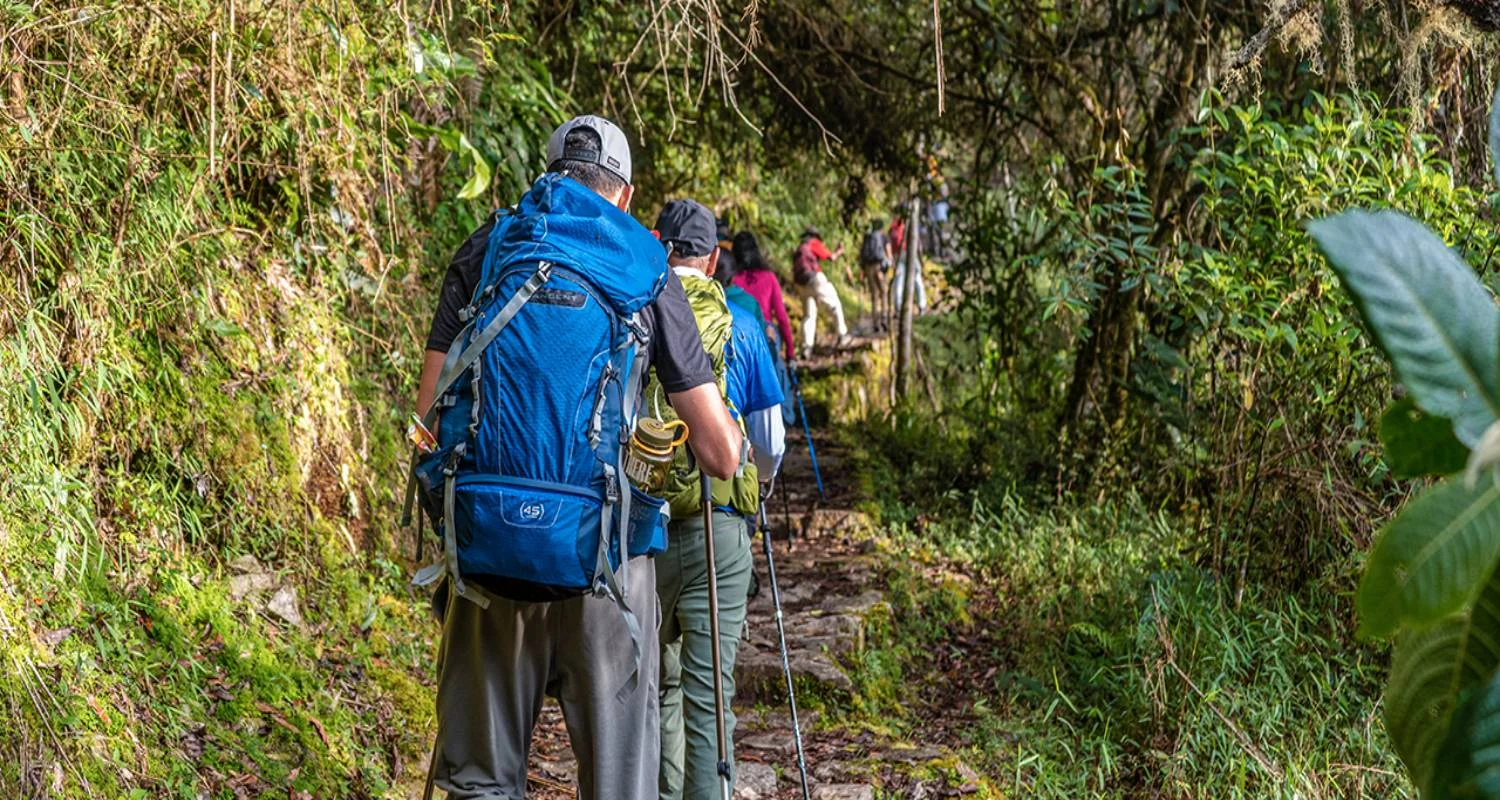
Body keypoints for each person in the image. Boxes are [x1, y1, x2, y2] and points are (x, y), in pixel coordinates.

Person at [414, 116, 743, 800]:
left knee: (480, 783)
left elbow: (428, 417)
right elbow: (718, 455)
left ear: (548, 173)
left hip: (487, 558)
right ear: (623, 194)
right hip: (607, 564)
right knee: (620, 785)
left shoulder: (490, 246)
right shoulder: (646, 265)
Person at [651, 199, 782, 800]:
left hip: (641, 528)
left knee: (654, 691)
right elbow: (770, 438)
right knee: (709, 700)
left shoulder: (633, 306)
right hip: (719, 521)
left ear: (658, 243)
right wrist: (757, 487)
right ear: (712, 257)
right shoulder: (744, 324)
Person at [731, 231, 794, 364]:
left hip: (736, 333)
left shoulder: (731, 279)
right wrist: (790, 352)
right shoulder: (769, 277)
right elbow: (782, 317)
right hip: (766, 331)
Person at [791, 226, 850, 357]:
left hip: (801, 283)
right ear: (815, 236)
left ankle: (806, 347)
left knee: (809, 315)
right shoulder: (813, 243)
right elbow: (831, 257)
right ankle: (843, 334)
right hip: (814, 278)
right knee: (835, 304)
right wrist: (839, 251)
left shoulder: (800, 248)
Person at [888, 206, 927, 317]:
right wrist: (921, 258)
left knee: (899, 282)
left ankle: (898, 308)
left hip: (898, 255)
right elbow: (918, 244)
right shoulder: (909, 225)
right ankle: (922, 306)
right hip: (909, 254)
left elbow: (889, 243)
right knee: (917, 280)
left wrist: (892, 259)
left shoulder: (893, 227)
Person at [857, 217, 892, 331]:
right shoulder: (882, 236)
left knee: (874, 295)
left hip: (868, 268)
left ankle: (875, 323)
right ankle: (884, 319)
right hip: (878, 266)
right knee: (884, 293)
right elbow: (888, 252)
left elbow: (862, 254)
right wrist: (890, 264)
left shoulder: (867, 237)